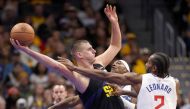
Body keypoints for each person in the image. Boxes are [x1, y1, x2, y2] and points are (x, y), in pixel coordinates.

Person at [10, 4, 123, 109]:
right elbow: (56, 66)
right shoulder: (79, 76)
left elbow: (115, 46)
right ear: (79, 55)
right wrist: (27, 51)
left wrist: (114, 22)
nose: (94, 51)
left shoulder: (98, 63)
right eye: (89, 49)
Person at [61, 52, 180, 109]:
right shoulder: (174, 82)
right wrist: (124, 92)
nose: (145, 64)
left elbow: (105, 76)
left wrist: (76, 68)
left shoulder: (138, 80)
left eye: (148, 62)